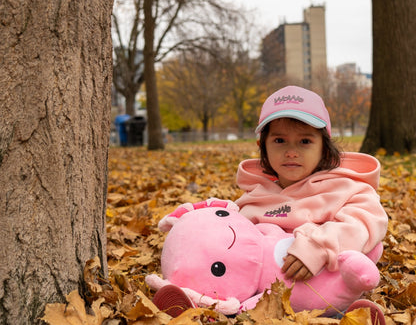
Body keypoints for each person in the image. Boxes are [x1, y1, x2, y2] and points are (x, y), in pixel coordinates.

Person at [152, 85, 388, 323]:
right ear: (263, 146)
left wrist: (317, 246)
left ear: (324, 149)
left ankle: (353, 317)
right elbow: (236, 239)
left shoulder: (343, 188)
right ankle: (197, 303)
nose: (291, 152)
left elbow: (366, 220)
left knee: (335, 305)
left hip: (322, 287)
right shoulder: (256, 196)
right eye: (279, 140)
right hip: (261, 296)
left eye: (305, 141)